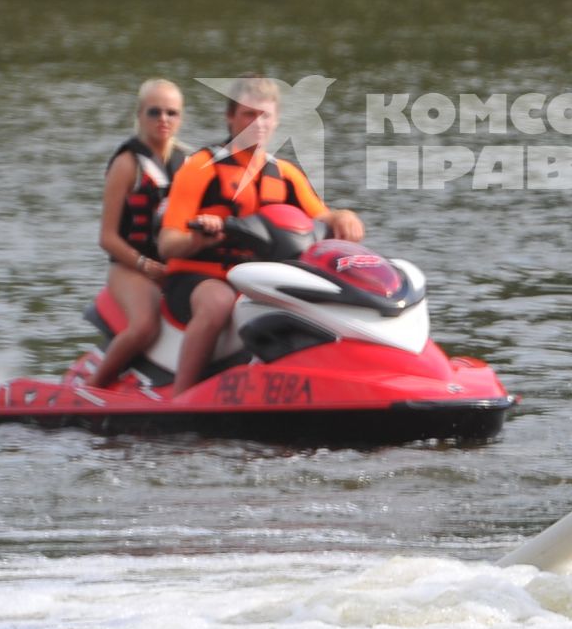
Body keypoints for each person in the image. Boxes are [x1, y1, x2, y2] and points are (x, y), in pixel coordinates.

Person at [156, 75, 365, 395]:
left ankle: (334, 381)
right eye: (248, 114)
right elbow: (168, 243)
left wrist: (345, 217)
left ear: (277, 120)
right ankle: (180, 398)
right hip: (199, 277)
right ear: (230, 117)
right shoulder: (200, 168)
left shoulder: (286, 174)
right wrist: (197, 239)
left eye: (264, 116)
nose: (257, 124)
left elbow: (323, 217)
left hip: (260, 282)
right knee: (218, 303)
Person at [83, 78, 193, 388]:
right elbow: (107, 237)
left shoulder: (190, 162)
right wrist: (146, 265)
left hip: (175, 265)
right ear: (140, 114)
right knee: (146, 326)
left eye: (172, 113)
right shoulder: (127, 163)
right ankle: (94, 387)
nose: (163, 120)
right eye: (154, 112)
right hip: (130, 267)